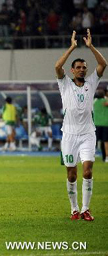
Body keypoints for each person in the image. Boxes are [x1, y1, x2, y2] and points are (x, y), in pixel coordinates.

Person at [54, 29, 106, 221]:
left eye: (84, 67)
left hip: (87, 134)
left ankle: (85, 209)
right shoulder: (64, 83)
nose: (83, 69)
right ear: (72, 70)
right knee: (71, 174)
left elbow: (103, 64)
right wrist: (72, 47)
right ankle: (74, 208)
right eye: (79, 67)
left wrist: (91, 46)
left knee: (88, 170)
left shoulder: (91, 82)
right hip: (69, 135)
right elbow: (57, 66)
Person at [93, 87, 108, 162]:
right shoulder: (106, 100)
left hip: (96, 123)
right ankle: (106, 157)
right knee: (105, 141)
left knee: (94, 140)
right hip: (106, 124)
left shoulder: (94, 102)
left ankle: (92, 155)